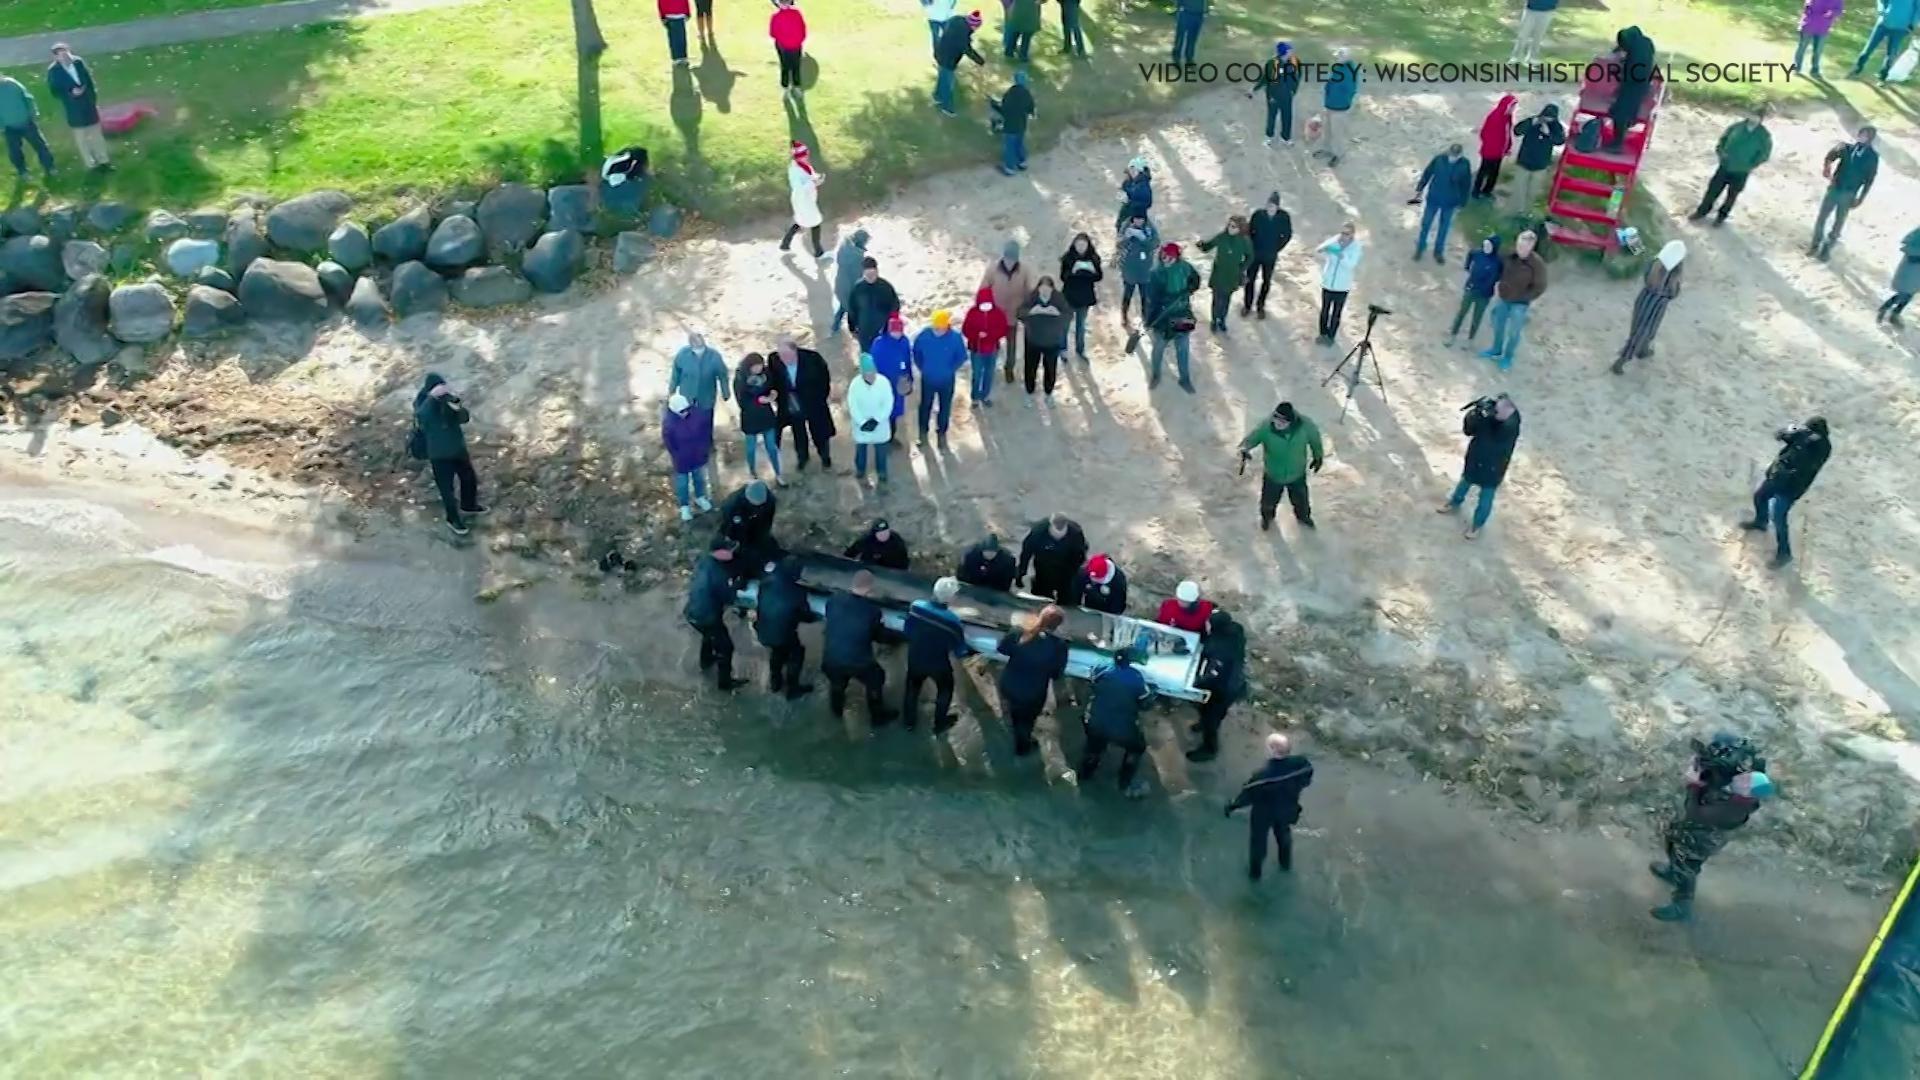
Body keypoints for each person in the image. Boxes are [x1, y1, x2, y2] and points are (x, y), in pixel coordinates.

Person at [1649, 749, 1772, 921]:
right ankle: (1672, 872)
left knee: (1686, 867)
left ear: (1748, 795)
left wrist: (1693, 785)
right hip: (1694, 831)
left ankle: (1682, 905)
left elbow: (1694, 812)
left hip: (1701, 840)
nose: (1739, 779)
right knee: (1674, 846)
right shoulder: (1742, 796)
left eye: (1744, 781)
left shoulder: (1731, 811)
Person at [1744, 417, 1832, 569]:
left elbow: (1806, 463)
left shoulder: (1822, 448)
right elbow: (1784, 436)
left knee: (1778, 516)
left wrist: (1801, 442)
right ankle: (1761, 522)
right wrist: (1787, 433)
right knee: (1760, 496)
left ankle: (1784, 553)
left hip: (1792, 487)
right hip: (1777, 476)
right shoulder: (1804, 435)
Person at [1225, 733, 1314, 878]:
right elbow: (1306, 780)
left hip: (1263, 813)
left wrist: (1232, 806)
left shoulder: (1261, 776)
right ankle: (1285, 865)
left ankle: (1255, 873)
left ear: (1272, 750)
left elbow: (1247, 796)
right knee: (1284, 836)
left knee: (1258, 843)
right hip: (1287, 808)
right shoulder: (1301, 764)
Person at [413, 373, 487, 536]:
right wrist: (432, 398)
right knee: (447, 489)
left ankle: (469, 505)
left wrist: (457, 407)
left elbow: (464, 419)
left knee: (469, 478)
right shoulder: (423, 401)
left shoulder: (446, 400)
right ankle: (452, 519)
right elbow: (421, 417)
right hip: (439, 454)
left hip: (457, 449)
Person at [1438, 394, 1521, 539]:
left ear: (1511, 410)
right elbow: (1469, 430)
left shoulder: (1511, 426)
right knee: (1464, 483)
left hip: (1493, 468)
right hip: (1475, 459)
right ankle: (1454, 503)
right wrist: (1475, 414)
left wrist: (1489, 417)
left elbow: (1499, 435)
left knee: (1485, 498)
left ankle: (1477, 525)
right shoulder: (1488, 417)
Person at [1077, 646, 1154, 798]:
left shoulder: (1101, 669)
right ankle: (1125, 782)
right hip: (1122, 729)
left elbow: (1092, 682)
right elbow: (1146, 703)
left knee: (1094, 745)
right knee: (1137, 747)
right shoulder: (1136, 677)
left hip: (1094, 722)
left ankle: (1085, 772)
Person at [822, 571, 897, 723]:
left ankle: (836, 709)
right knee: (876, 677)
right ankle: (877, 716)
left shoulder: (833, 600)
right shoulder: (872, 611)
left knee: (837, 682)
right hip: (857, 662)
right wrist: (896, 638)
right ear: (869, 588)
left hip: (830, 659)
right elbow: (879, 636)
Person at [996, 605, 1071, 755]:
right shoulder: (1059, 646)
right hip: (1033, 693)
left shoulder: (1018, 632)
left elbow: (1002, 649)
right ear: (1057, 625)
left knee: (1015, 712)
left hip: (1009, 685)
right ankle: (1022, 746)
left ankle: (1017, 729)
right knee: (1027, 721)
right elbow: (1056, 674)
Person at [1239, 402, 1324, 532]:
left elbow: (1315, 440)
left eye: (1282, 422)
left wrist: (1318, 456)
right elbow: (1252, 438)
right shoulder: (1266, 427)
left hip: (1297, 473)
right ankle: (1267, 517)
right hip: (1273, 474)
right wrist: (1245, 449)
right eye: (1276, 419)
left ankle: (1303, 517)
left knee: (1301, 501)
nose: (1278, 423)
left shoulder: (1305, 426)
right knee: (1268, 501)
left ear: (1291, 421)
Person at [903, 577, 972, 732]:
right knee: (945, 689)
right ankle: (939, 724)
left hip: (915, 657)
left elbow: (907, 630)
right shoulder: (953, 621)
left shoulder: (916, 607)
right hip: (938, 663)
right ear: (950, 598)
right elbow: (960, 650)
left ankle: (909, 722)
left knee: (912, 688)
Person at [1689, 104, 1773, 226]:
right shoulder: (1736, 127)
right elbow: (1722, 140)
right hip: (1725, 166)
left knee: (1731, 196)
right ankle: (1701, 212)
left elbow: (1765, 154)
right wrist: (1721, 153)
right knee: (1712, 191)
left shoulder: (1763, 135)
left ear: (1761, 119)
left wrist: (1751, 164)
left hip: (1741, 171)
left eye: (1757, 117)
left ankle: (1721, 217)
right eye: (1752, 115)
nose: (1753, 118)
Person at [1611, 241, 1686, 374]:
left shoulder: (1654, 263)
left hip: (1644, 298)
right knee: (1647, 331)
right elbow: (1674, 293)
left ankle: (1641, 350)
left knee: (1637, 329)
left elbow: (1646, 276)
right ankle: (1623, 360)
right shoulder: (1675, 271)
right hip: (1657, 305)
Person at [1479, 228, 1547, 371]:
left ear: (1531, 247)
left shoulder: (1537, 264)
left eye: (1523, 247)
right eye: (1519, 245)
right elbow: (1498, 266)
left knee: (1514, 332)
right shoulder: (1509, 255)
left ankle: (1508, 357)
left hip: (1520, 303)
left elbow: (1540, 286)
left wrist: (1525, 297)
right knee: (1498, 325)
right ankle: (1496, 349)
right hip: (1504, 298)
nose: (1520, 249)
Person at [684, 540, 747, 691]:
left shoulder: (704, 562)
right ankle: (725, 683)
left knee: (708, 635)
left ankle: (706, 661)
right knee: (726, 647)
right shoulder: (719, 573)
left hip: (691, 611)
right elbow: (728, 597)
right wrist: (736, 587)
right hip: (707, 615)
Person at [1810, 126, 1879, 261]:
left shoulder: (1872, 157)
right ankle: (1814, 245)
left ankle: (1826, 249)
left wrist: (1861, 198)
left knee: (1838, 223)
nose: (1862, 137)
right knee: (1822, 218)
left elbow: (1869, 180)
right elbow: (1830, 156)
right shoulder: (1847, 148)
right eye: (1861, 134)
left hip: (1849, 193)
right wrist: (1827, 168)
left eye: (1866, 135)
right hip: (1835, 188)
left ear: (1871, 139)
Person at [754, 556, 818, 699]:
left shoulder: (765, 583)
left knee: (777, 652)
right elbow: (805, 616)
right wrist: (814, 618)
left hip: (763, 630)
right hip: (783, 634)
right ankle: (792, 688)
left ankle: (775, 682)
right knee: (796, 652)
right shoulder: (797, 592)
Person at [1189, 609, 1247, 761]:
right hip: (1234, 679)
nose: (1206, 624)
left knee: (1211, 718)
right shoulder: (1236, 630)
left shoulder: (1219, 648)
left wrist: (1196, 682)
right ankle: (1203, 723)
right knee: (1206, 709)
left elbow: (1213, 675)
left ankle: (1209, 749)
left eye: (1209, 622)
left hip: (1223, 689)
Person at [771, 334, 835, 470]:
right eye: (781, 356)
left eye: (786, 356)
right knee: (798, 432)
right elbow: (773, 381)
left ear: (795, 351)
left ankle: (825, 457)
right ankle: (802, 457)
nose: (783, 359)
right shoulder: (774, 360)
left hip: (813, 402)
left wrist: (820, 399)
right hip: (792, 403)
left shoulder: (813, 359)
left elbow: (824, 380)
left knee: (819, 432)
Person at [1145, 242, 1202, 392]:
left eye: (1170, 257)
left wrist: (1189, 290)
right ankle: (1156, 375)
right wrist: (1150, 319)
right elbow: (1151, 299)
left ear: (1177, 257)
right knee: (1159, 348)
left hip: (1182, 313)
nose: (1166, 259)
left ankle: (1185, 379)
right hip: (1162, 317)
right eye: (1164, 256)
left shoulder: (1185, 267)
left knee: (1183, 348)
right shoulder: (1156, 273)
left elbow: (1196, 279)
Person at [45, 45, 108, 172]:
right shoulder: (53, 71)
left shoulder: (78, 62)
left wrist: (92, 99)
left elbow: (89, 81)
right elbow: (55, 91)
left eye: (66, 53)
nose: (65, 56)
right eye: (61, 55)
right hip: (73, 109)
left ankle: (103, 161)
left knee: (96, 135)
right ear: (56, 57)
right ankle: (91, 164)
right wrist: (71, 93)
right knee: (82, 138)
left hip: (88, 104)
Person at [913, 309, 968, 447]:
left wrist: (951, 369)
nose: (937, 331)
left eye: (940, 328)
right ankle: (923, 431)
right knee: (925, 405)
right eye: (935, 327)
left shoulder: (955, 338)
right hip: (928, 379)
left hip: (946, 380)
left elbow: (961, 356)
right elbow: (916, 352)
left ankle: (942, 432)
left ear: (946, 326)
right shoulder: (924, 335)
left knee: (945, 406)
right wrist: (923, 367)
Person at [981, 241, 1035, 381]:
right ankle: (991, 366)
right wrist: (986, 307)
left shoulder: (1024, 270)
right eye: (1007, 258)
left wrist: (1027, 308)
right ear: (1003, 257)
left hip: (1013, 314)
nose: (1010, 262)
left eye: (1013, 259)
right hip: (996, 315)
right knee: (993, 343)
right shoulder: (993, 269)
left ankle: (1009, 368)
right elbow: (984, 289)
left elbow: (1029, 291)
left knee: (1011, 345)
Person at [1412, 143, 1473, 263]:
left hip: (1450, 202)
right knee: (1426, 224)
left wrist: (1463, 201)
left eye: (1456, 155)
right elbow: (1427, 173)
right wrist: (1420, 188)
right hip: (1434, 198)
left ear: (1460, 155)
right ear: (1449, 152)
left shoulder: (1464, 165)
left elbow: (1466, 184)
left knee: (1444, 228)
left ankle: (1438, 251)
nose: (1453, 157)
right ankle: (1420, 247)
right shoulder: (1439, 160)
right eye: (1452, 154)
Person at [733, 352, 787, 484]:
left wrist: (773, 393)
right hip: (750, 417)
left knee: (772, 447)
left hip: (766, 415)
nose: (759, 369)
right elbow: (742, 401)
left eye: (761, 366)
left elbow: (772, 385)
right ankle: (752, 473)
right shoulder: (740, 378)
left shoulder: (766, 374)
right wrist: (758, 401)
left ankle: (778, 474)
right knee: (751, 449)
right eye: (756, 367)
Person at [662, 392, 716, 522]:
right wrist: (677, 455)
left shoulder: (696, 414)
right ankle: (684, 506)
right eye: (682, 411)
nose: (685, 412)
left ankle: (700, 497)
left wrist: (704, 448)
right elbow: (669, 443)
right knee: (683, 484)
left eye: (687, 409)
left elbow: (704, 431)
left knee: (699, 478)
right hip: (682, 460)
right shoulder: (669, 423)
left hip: (697, 455)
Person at [1196, 215, 1253, 333]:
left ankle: (1222, 319)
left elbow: (1250, 256)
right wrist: (1202, 245)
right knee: (1216, 299)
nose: (1230, 228)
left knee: (1226, 300)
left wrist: (1241, 268)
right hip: (1219, 273)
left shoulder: (1244, 241)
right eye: (1229, 225)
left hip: (1232, 275)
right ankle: (1214, 320)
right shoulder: (1222, 237)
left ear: (1240, 228)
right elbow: (1209, 246)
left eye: (1233, 226)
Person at [1604, 27, 1657, 152]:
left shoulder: (1635, 48)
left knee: (1621, 113)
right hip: (1641, 83)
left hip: (1635, 84)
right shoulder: (1644, 43)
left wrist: (1623, 72)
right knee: (1621, 111)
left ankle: (1617, 144)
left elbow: (1635, 72)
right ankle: (1621, 134)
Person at [1445, 235, 1503, 348]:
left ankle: (1470, 340)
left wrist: (1494, 280)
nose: (1486, 247)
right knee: (1462, 313)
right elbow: (1470, 254)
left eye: (1489, 246)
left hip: (1485, 295)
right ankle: (1452, 335)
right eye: (1485, 244)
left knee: (1476, 318)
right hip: (1471, 289)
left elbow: (1501, 274)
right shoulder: (1478, 253)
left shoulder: (1498, 261)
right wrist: (1467, 266)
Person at [847, 355, 896, 487]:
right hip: (861, 426)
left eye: (873, 373)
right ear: (862, 373)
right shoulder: (855, 385)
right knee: (861, 449)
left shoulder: (883, 382)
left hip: (880, 425)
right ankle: (860, 470)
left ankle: (882, 473)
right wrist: (862, 422)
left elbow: (888, 403)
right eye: (868, 374)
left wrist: (877, 420)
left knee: (881, 451)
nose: (871, 376)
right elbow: (852, 405)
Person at [1509, 103, 1565, 218]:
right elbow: (1517, 131)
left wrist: (1548, 134)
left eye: (1550, 118)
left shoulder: (1556, 127)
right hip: (1524, 163)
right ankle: (1517, 212)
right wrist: (1530, 123)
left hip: (1540, 166)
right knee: (1519, 190)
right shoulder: (1532, 121)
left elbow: (1560, 141)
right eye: (1545, 116)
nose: (1547, 120)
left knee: (1532, 192)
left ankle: (1526, 213)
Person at [1017, 513, 1089, 602]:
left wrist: (1075, 571)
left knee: (1067, 598)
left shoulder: (1075, 532)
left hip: (1066, 570)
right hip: (1043, 569)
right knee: (1041, 596)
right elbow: (1027, 551)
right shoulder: (1039, 531)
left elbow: (1081, 553)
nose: (1059, 528)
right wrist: (1021, 572)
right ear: (1051, 523)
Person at [1243, 192, 1292, 319]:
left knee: (1266, 281)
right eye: (1269, 205)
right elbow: (1250, 231)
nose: (1270, 208)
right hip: (1255, 253)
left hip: (1270, 256)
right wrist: (1250, 247)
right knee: (1250, 279)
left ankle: (1260, 306)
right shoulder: (1258, 215)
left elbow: (1287, 235)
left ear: (1277, 207)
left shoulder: (1283, 217)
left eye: (1273, 206)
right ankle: (1247, 305)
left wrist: (1277, 248)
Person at [961, 286, 1010, 407]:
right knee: (977, 374)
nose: (986, 306)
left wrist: (990, 335)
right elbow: (966, 329)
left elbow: (1004, 329)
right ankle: (975, 397)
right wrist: (976, 335)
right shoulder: (972, 313)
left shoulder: (998, 313)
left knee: (989, 374)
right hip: (976, 349)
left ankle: (985, 395)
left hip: (992, 349)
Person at [1314, 222, 1363, 346]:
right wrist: (1324, 249)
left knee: (1336, 312)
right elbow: (1320, 249)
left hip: (1342, 286)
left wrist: (1342, 256)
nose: (1343, 236)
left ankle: (1331, 337)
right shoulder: (1334, 240)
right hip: (1328, 283)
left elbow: (1351, 265)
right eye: (1342, 232)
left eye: (1347, 233)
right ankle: (1322, 333)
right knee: (1324, 310)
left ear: (1352, 234)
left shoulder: (1356, 247)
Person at [1020, 278, 1068, 400]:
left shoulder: (1059, 298)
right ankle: (1029, 390)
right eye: (1042, 288)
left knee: (1050, 368)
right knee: (1030, 367)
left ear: (1052, 289)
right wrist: (1031, 312)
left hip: (1052, 342)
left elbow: (1068, 316)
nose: (1045, 291)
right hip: (1033, 340)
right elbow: (1020, 313)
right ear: (1038, 288)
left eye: (1048, 289)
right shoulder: (1031, 297)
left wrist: (1057, 314)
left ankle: (1048, 391)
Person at [1, 74, 55, 182]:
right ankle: (23, 172)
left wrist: (33, 113)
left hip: (26, 122)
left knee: (40, 146)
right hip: (9, 127)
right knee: (15, 151)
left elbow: (28, 98)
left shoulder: (12, 84)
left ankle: (50, 168)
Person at [1246, 42, 1302, 146]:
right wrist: (1254, 89)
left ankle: (1285, 138)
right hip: (1273, 95)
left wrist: (1293, 90)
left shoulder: (1295, 61)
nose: (1291, 52)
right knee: (1272, 116)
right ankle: (1269, 137)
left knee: (1287, 117)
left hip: (1287, 95)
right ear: (1284, 52)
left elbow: (1298, 77)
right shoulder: (1272, 63)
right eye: (1289, 50)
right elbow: (1264, 79)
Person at [934, 11, 988, 117]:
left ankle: (937, 96)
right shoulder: (962, 35)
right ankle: (946, 107)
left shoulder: (957, 20)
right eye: (976, 27)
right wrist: (980, 61)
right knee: (948, 83)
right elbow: (967, 50)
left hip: (940, 51)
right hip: (948, 58)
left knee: (943, 77)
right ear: (973, 25)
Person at [781, 141, 829, 260]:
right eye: (804, 155)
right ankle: (819, 252)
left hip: (807, 200)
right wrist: (812, 182)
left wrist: (817, 178)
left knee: (800, 221)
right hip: (803, 201)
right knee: (815, 223)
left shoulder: (804, 165)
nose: (806, 157)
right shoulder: (794, 171)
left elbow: (810, 176)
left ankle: (785, 244)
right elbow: (799, 188)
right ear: (798, 157)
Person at [869, 314, 913, 441]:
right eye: (895, 332)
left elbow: (907, 360)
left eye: (900, 332)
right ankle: (882, 437)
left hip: (899, 381)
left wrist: (909, 378)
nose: (898, 335)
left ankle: (891, 436)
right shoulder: (879, 343)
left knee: (894, 411)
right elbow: (873, 365)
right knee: (883, 410)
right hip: (883, 383)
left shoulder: (904, 341)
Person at [718, 480, 780, 568]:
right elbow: (730, 525)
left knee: (764, 541)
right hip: (738, 522)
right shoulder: (732, 504)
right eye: (755, 504)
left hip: (757, 520)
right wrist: (736, 539)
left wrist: (763, 533)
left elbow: (767, 519)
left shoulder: (769, 500)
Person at [1059, 234, 1103, 360]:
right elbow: (1063, 277)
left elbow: (1099, 276)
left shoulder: (1094, 258)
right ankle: (1063, 349)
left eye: (1083, 245)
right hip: (1069, 296)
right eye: (1078, 245)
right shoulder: (1068, 258)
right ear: (1074, 245)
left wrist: (1091, 271)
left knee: (1081, 325)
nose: (1081, 248)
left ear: (1088, 245)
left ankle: (1080, 349)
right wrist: (1073, 271)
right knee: (1064, 325)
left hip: (1085, 297)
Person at [1315, 47, 1361, 168]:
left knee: (1337, 133)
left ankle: (1338, 154)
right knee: (1327, 130)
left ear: (1346, 57)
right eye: (1337, 56)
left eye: (1340, 56)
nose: (1337, 58)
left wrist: (1343, 102)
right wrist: (1327, 92)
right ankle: (1327, 149)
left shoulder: (1350, 71)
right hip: (1329, 104)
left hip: (1340, 107)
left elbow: (1351, 90)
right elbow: (1331, 83)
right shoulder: (1338, 67)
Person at [847, 258, 902, 354]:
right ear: (863, 273)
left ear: (877, 271)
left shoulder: (885, 287)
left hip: (883, 330)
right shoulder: (857, 288)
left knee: (883, 352)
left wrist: (892, 326)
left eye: (872, 273)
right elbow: (852, 309)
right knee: (867, 354)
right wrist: (852, 327)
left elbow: (895, 307)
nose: (870, 276)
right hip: (864, 331)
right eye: (867, 274)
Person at [1851, 0, 1916, 81]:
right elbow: (1881, 1)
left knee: (1891, 53)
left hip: (1900, 28)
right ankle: (1857, 68)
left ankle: (1883, 76)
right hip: (1883, 23)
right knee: (1869, 47)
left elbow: (1917, 9)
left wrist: (1912, 24)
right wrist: (1881, 12)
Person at [1117, 212, 1160, 330]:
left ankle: (1146, 318)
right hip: (1129, 268)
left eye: (1141, 219)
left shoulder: (1150, 229)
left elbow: (1155, 244)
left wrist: (1143, 238)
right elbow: (1119, 244)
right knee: (1127, 294)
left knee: (1145, 296)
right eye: (1136, 219)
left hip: (1145, 269)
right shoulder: (1126, 226)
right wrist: (1127, 237)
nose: (1138, 221)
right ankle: (1124, 316)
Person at [1474, 94, 1518, 200]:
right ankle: (1476, 192)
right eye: (1512, 106)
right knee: (1483, 171)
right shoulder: (1494, 116)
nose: (1513, 109)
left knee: (1494, 173)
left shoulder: (1508, 117)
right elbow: (1484, 133)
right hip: (1489, 151)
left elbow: (1507, 134)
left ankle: (1487, 191)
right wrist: (1490, 146)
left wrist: (1507, 147)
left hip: (1499, 152)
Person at [993, 70, 1036, 176]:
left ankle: (1009, 168)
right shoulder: (1027, 93)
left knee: (1009, 147)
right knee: (1019, 144)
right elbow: (1031, 108)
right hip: (1022, 124)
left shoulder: (1010, 93)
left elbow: (1004, 110)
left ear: (1015, 80)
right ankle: (1022, 162)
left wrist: (993, 104)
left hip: (1010, 125)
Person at [1877, 226, 1920, 327]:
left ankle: (1895, 313)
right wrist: (1915, 254)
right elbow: (1908, 242)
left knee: (1910, 293)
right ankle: (1885, 309)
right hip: (1911, 267)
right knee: (1905, 293)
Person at [830, 228, 870, 335]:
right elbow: (858, 277)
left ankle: (834, 326)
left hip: (840, 284)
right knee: (852, 309)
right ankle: (854, 329)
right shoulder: (857, 259)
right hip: (849, 289)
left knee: (843, 306)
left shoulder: (844, 247)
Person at [1794, 0, 1846, 76]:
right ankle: (1797, 67)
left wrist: (1832, 13)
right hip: (1809, 24)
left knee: (1818, 50)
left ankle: (1815, 70)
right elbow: (1808, 5)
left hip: (1823, 27)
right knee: (1802, 47)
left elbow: (1839, 10)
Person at [770, 0, 808, 100]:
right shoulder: (779, 16)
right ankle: (790, 88)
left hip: (790, 46)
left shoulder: (793, 14)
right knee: (790, 66)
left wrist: (797, 40)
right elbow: (773, 33)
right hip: (789, 46)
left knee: (791, 67)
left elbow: (802, 28)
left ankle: (792, 87)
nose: (784, 4)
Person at [845, 518, 911, 569]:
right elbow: (849, 555)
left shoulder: (896, 540)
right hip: (869, 569)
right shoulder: (866, 540)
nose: (884, 535)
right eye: (881, 533)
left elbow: (904, 560)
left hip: (890, 571)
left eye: (886, 532)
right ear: (874, 534)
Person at [1510, 0, 1558, 64]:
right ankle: (1516, 57)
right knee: (1523, 35)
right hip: (1530, 10)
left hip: (1548, 11)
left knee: (1538, 36)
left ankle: (1532, 58)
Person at [1116, 157, 1154, 230]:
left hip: (1136, 219)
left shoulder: (1142, 185)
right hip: (1129, 217)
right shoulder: (1131, 182)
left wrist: (1128, 199)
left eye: (1133, 170)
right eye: (1130, 170)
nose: (1131, 172)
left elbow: (1145, 203)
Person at [658, 0, 694, 66]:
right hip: (679, 15)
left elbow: (661, 3)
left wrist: (662, 16)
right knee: (681, 37)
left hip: (669, 15)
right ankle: (683, 57)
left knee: (673, 37)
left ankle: (676, 57)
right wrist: (687, 12)